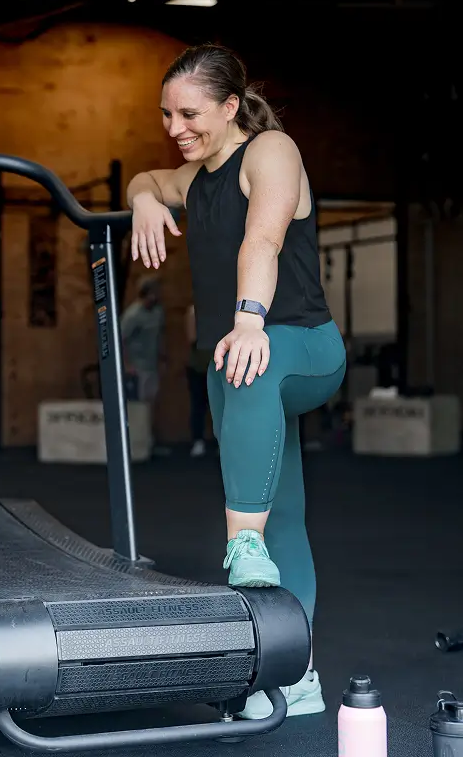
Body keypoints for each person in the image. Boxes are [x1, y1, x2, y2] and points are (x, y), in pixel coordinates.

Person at [125, 43, 346, 720]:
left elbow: (263, 240)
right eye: (165, 115)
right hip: (239, 360)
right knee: (285, 516)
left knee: (247, 362)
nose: (174, 128)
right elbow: (147, 179)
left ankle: (239, 543)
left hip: (302, 348)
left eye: (189, 114)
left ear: (229, 106)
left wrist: (251, 319)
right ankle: (296, 670)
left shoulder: (271, 151)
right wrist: (140, 200)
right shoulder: (193, 180)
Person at [120, 275, 165, 406]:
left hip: (152, 366)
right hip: (138, 368)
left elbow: (160, 335)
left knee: (151, 402)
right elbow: (121, 339)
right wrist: (127, 365)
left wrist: (163, 358)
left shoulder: (158, 312)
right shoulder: (133, 315)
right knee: (139, 405)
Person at [183, 304, 212, 457]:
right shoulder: (194, 310)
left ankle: (223, 442)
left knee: (220, 405)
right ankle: (198, 441)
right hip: (198, 366)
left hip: (218, 366)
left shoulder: (221, 309)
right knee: (198, 405)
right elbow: (192, 337)